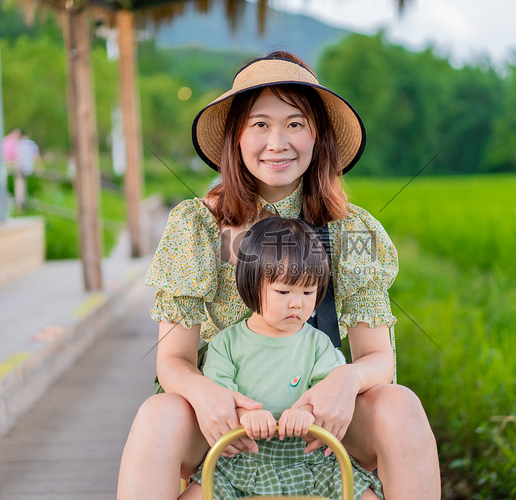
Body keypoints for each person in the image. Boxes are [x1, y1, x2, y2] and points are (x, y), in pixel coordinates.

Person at [117, 51, 441, 499]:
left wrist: (342, 381)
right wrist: (208, 394)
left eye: (294, 123)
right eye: (260, 124)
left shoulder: (351, 228)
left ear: (317, 136)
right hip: (226, 415)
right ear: (236, 137)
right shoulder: (195, 225)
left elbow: (378, 359)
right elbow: (172, 359)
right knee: (158, 415)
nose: (277, 142)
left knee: (401, 405)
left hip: (315, 415)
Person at [181, 216, 383, 499]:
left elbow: (329, 393)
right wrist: (243, 415)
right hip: (241, 459)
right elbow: (219, 394)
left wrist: (307, 413)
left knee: (363, 493)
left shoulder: (318, 345)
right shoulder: (226, 344)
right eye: (283, 291)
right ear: (252, 285)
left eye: (308, 291)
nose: (296, 303)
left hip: (310, 459)